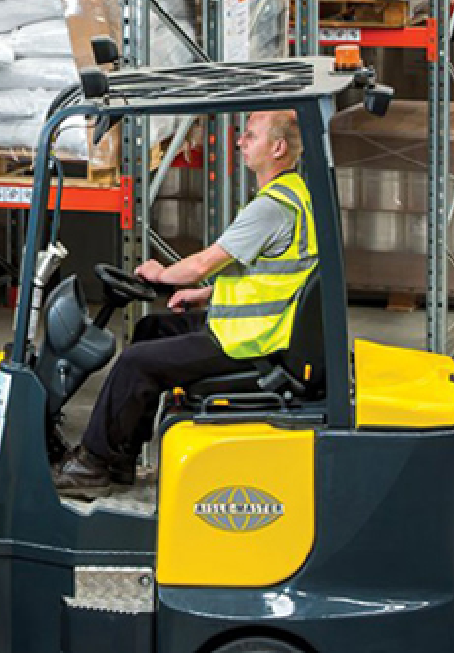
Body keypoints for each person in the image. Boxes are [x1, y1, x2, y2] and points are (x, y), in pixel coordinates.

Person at [53, 108, 318, 498]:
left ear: (277, 148)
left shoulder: (271, 206)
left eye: (250, 135)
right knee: (150, 329)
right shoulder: (295, 194)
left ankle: (92, 465)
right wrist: (204, 294)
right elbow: (273, 278)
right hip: (262, 330)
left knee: (135, 362)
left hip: (250, 342)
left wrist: (161, 274)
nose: (240, 142)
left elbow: (203, 264)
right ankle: (120, 458)